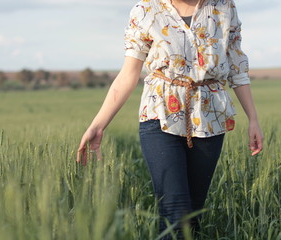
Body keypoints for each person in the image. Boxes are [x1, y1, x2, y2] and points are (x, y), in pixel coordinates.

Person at [77, 0, 264, 239]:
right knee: (175, 214)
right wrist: (98, 125)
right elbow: (128, 74)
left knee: (193, 216)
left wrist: (253, 119)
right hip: (159, 115)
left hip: (210, 117)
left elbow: (237, 66)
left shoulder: (224, 7)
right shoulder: (145, 10)